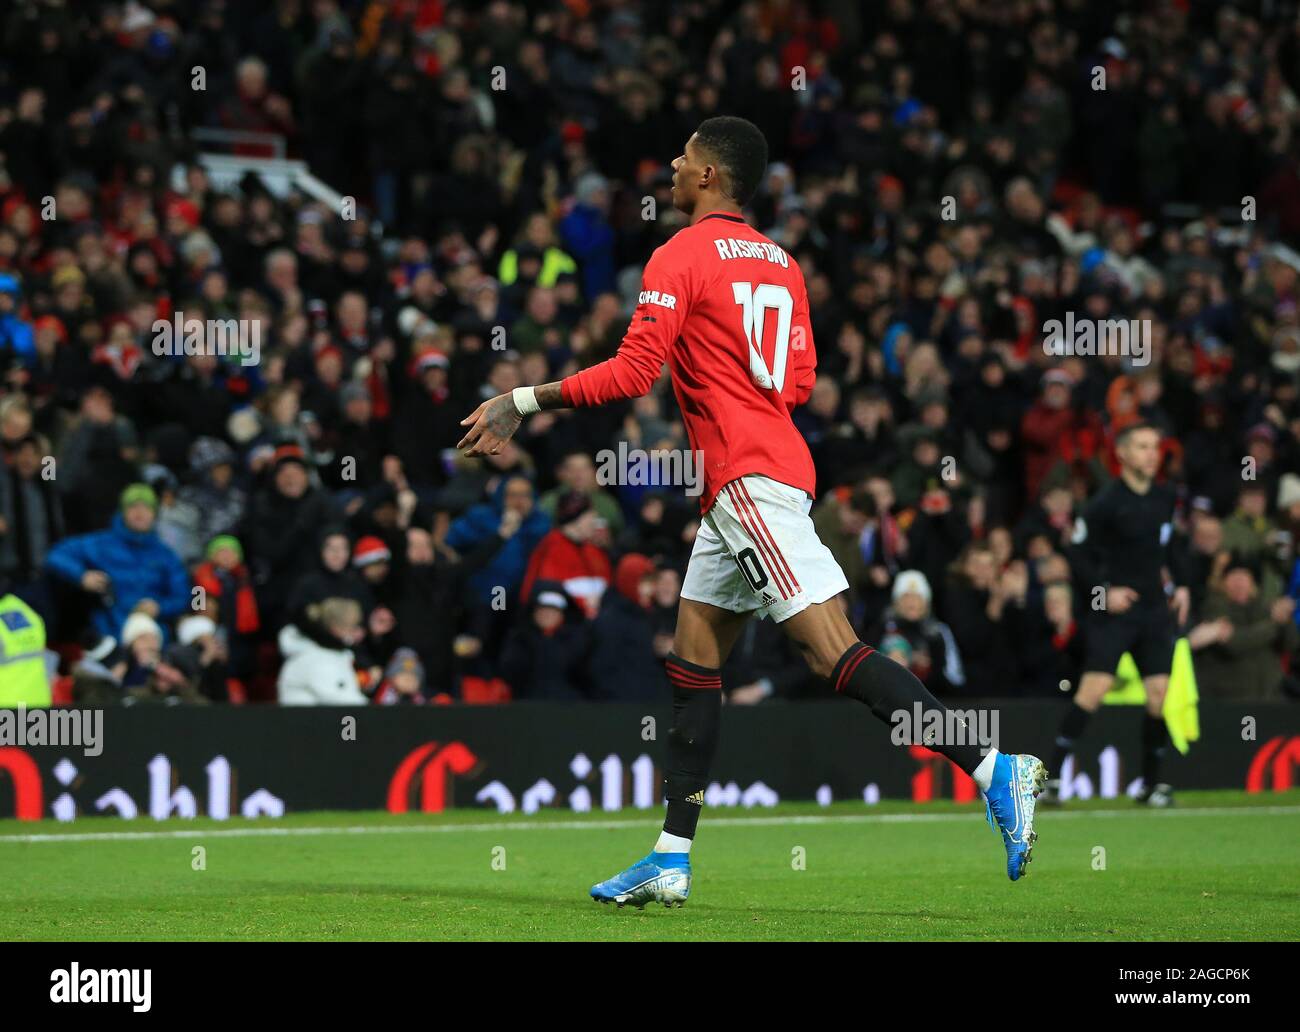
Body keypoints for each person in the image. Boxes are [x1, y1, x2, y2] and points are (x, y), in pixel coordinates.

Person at [458, 117, 1046, 906]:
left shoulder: (681, 253)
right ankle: (670, 856)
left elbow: (635, 373)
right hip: (769, 469)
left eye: (684, 156)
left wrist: (521, 400)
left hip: (744, 478)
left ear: (708, 176)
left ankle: (989, 764)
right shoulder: (784, 263)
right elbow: (798, 382)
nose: (671, 163)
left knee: (830, 651)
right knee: (694, 652)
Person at [1044, 423, 1190, 807]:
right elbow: (1075, 552)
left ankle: (1150, 786)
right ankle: (1051, 779)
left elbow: (1170, 545)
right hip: (1116, 614)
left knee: (1158, 695)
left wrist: (1185, 585)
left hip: (1155, 610)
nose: (1151, 454)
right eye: (1143, 447)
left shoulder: (1165, 497)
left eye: (1155, 446)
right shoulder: (1104, 503)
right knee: (1093, 691)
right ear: (1122, 454)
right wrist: (1102, 593)